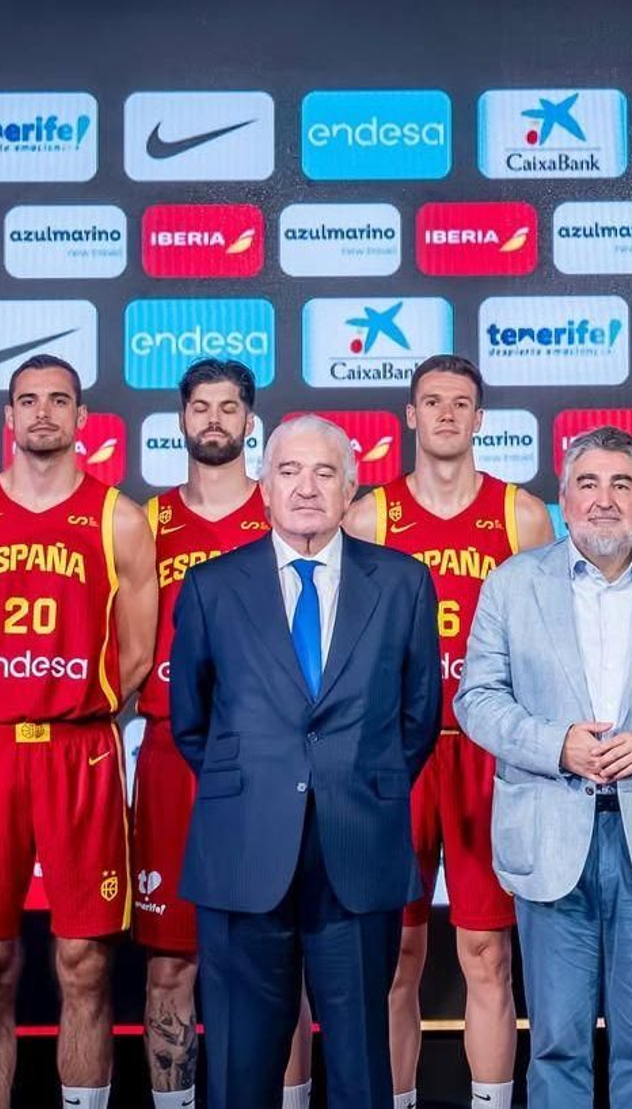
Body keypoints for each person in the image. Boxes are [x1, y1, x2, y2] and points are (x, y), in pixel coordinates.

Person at [456, 424, 632, 1109]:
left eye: (622, 483)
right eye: (588, 483)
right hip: (551, 834)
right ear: (564, 496)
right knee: (556, 1041)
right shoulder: (513, 583)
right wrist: (556, 743)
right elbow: (477, 698)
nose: (605, 499)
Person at [169, 414, 441, 1109]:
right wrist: (267, 787)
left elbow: (417, 720)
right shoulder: (210, 586)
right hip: (244, 851)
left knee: (360, 1069)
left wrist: (351, 784)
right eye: (289, 471)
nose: (307, 487)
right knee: (237, 1068)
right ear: (264, 486)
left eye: (325, 472)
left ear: (352, 487)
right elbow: (192, 722)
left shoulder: (404, 583)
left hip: (358, 848)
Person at [0, 354, 158, 1109]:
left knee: (85, 958)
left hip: (79, 748)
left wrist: (75, 707)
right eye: (29, 400)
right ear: (8, 417)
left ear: (83, 419)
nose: (44, 413)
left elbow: (140, 653)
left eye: (59, 400)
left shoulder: (118, 517)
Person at [341, 355, 552, 1109]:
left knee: (488, 951)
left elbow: (547, 640)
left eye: (461, 403)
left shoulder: (520, 515)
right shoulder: (368, 516)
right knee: (396, 952)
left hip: (488, 757)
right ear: (409, 413)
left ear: (479, 418)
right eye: (432, 402)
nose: (447, 416)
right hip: (396, 756)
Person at [133, 358, 315, 1109]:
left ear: (250, 422)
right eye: (200, 406)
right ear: (181, 420)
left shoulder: (284, 513)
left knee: (285, 960)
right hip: (175, 755)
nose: (214, 419)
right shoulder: (142, 520)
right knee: (170, 961)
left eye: (229, 407)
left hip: (273, 761)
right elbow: (129, 647)